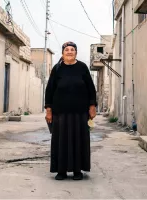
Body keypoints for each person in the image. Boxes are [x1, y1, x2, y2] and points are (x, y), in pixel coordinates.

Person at [45, 41, 97, 180]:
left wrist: (92, 106)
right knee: (60, 141)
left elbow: (91, 88)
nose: (69, 51)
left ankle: (77, 170)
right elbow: (49, 90)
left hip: (80, 113)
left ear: (76, 53)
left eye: (72, 49)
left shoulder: (82, 67)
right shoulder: (57, 69)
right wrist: (48, 110)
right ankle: (61, 171)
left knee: (79, 140)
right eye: (66, 49)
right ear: (62, 53)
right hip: (60, 112)